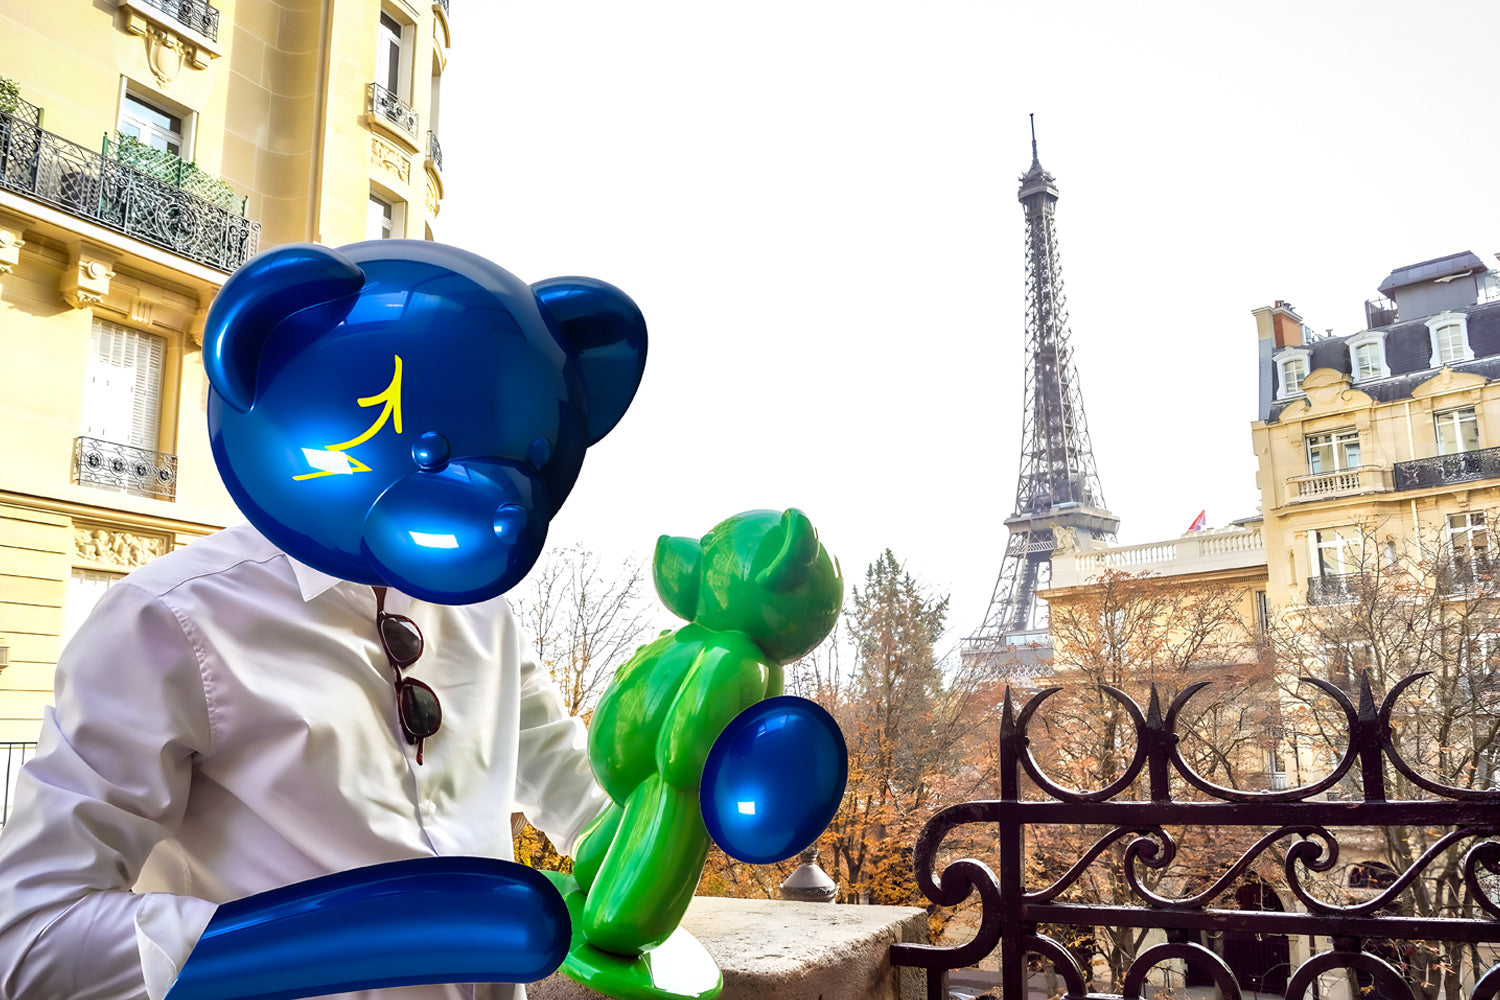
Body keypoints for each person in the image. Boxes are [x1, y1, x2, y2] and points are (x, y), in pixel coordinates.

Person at [0, 520, 607, 1000]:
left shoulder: (487, 613)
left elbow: (586, 800)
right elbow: (28, 941)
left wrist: (679, 760)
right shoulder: (168, 614)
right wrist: (360, 935)